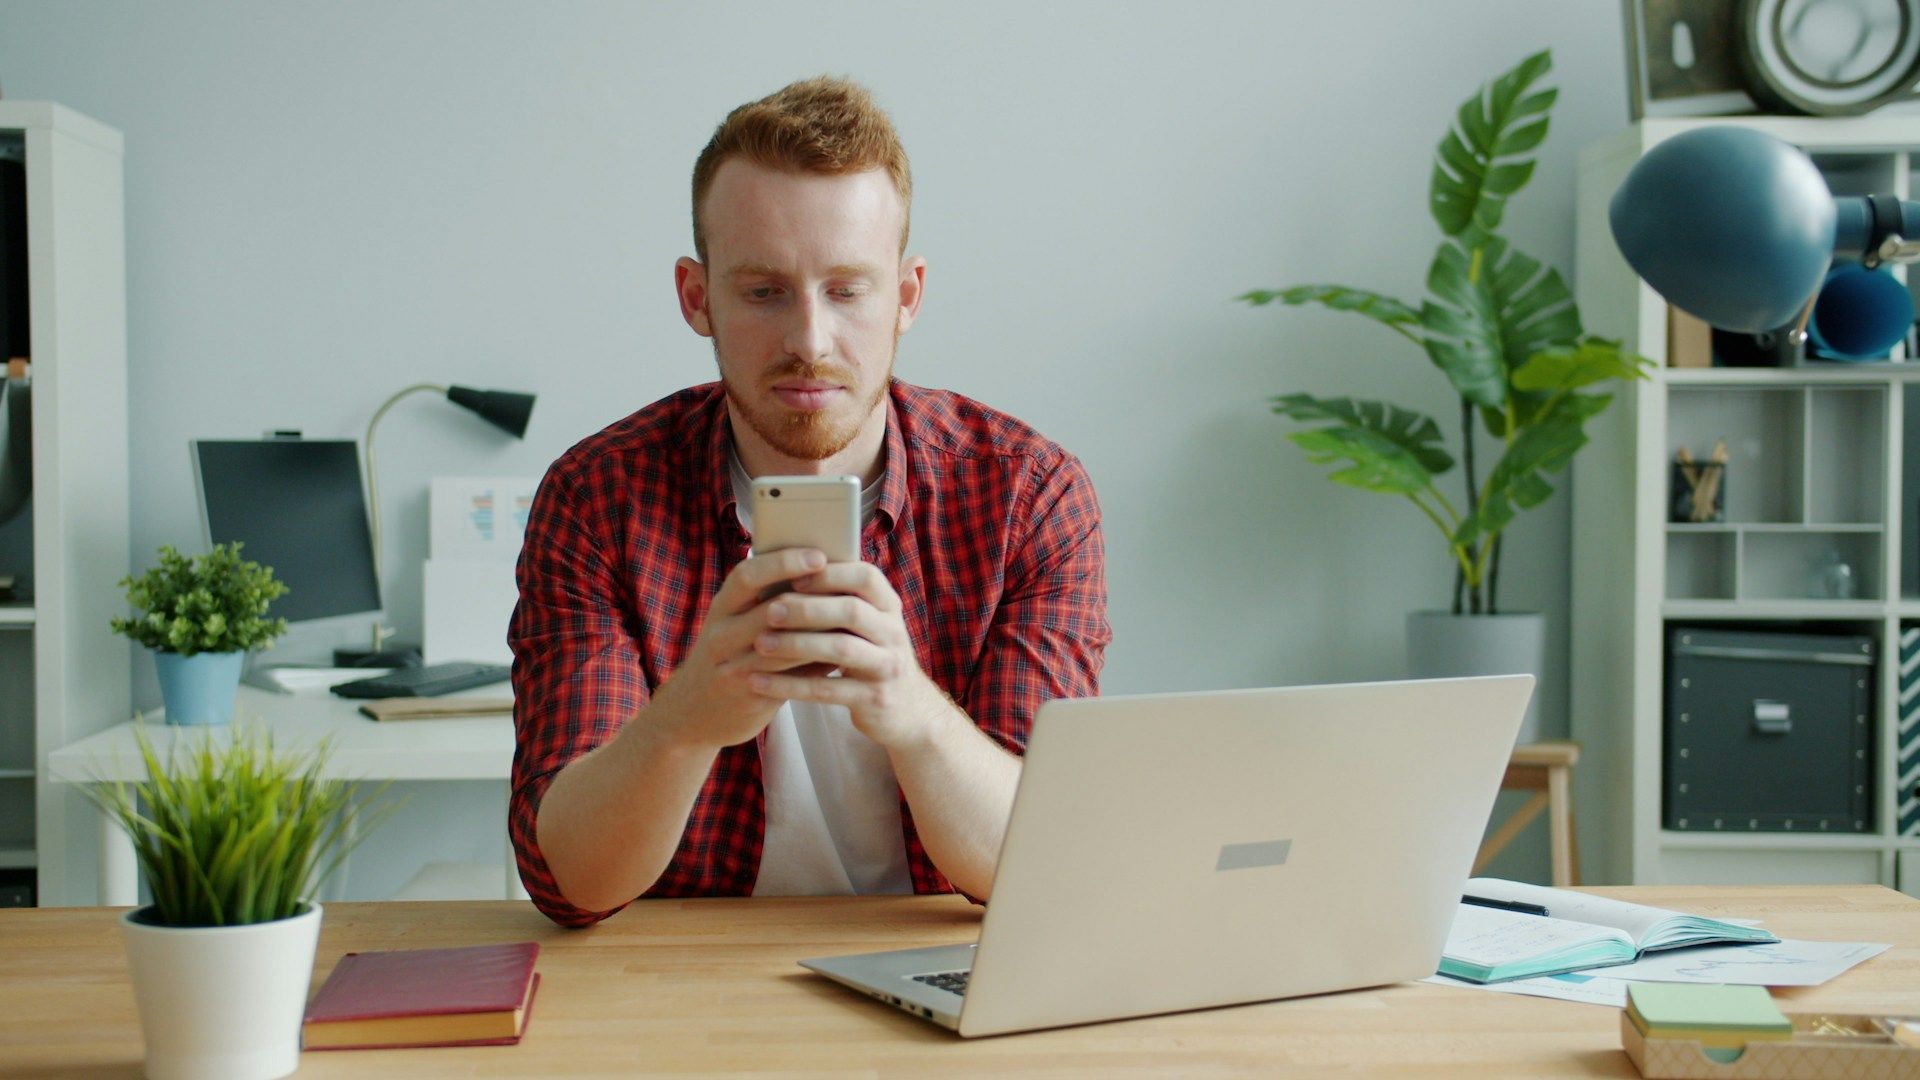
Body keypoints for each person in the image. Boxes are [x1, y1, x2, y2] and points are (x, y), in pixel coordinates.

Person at [509, 76, 1110, 928]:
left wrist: (911, 710)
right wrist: (683, 722)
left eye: (847, 290)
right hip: (682, 993)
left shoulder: (1027, 495)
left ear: (906, 296)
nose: (808, 341)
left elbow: (1037, 863)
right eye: (763, 292)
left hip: (932, 978)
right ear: (696, 297)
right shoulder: (598, 498)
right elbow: (572, 881)